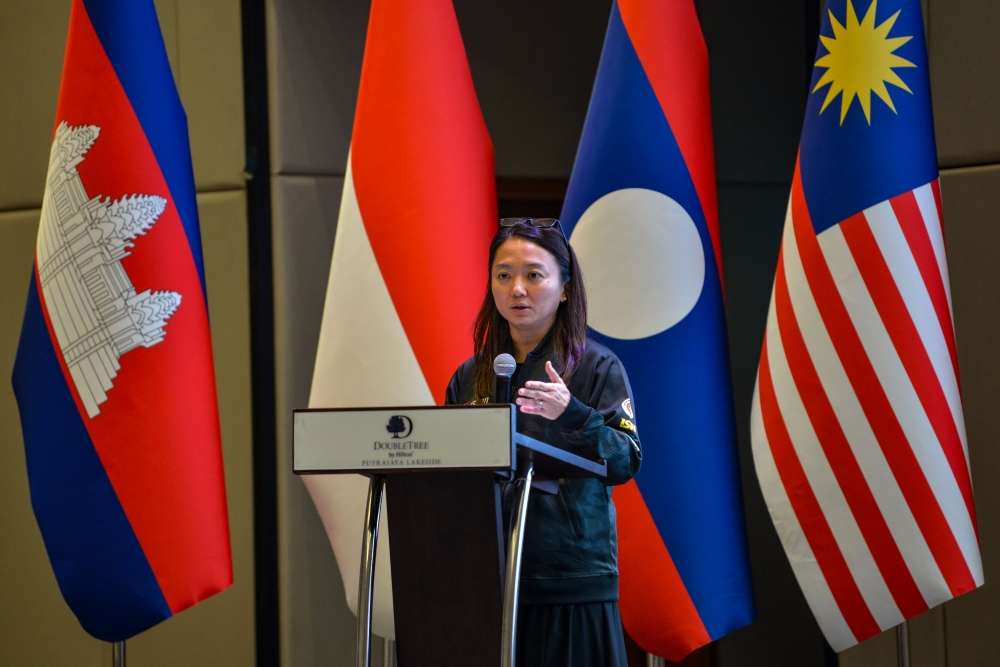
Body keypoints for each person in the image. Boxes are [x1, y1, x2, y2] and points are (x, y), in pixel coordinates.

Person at [445, 218, 642, 667]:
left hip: (570, 582)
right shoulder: (470, 376)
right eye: (504, 275)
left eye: (533, 275)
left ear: (565, 288)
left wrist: (573, 415)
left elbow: (625, 460)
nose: (517, 289)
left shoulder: (597, 366)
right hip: (485, 580)